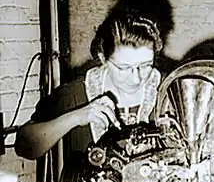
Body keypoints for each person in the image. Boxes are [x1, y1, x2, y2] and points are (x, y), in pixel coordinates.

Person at [14, 12, 163, 160]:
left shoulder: (170, 91)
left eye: (145, 66)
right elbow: (23, 147)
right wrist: (76, 117)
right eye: (123, 68)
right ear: (103, 58)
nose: (136, 78)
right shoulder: (75, 94)